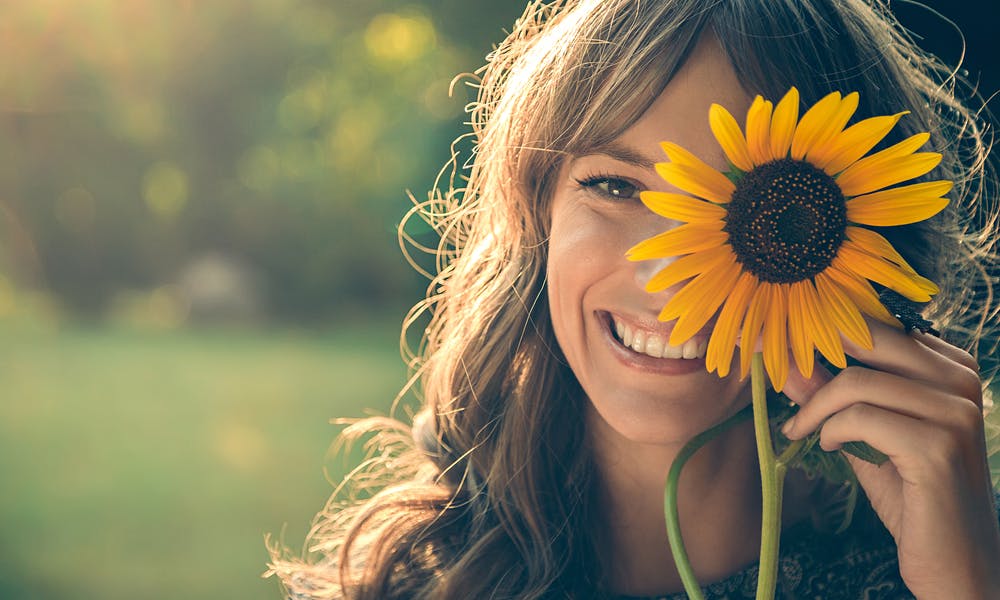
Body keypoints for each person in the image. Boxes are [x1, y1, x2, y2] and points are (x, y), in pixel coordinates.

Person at [267, 0, 1000, 597]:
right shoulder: (412, 585)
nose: (669, 280)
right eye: (617, 186)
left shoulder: (940, 566)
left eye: (746, 206)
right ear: (536, 213)